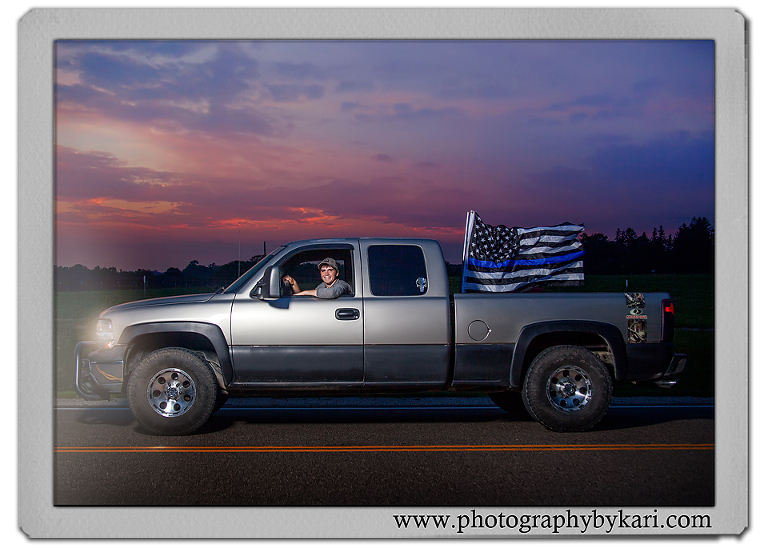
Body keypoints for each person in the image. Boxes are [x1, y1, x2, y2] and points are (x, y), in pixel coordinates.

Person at [282, 257, 352, 299]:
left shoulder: (342, 284)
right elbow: (306, 297)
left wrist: (305, 292)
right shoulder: (322, 285)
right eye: (323, 270)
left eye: (330, 270)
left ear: (337, 273)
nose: (326, 274)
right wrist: (294, 283)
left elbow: (332, 293)